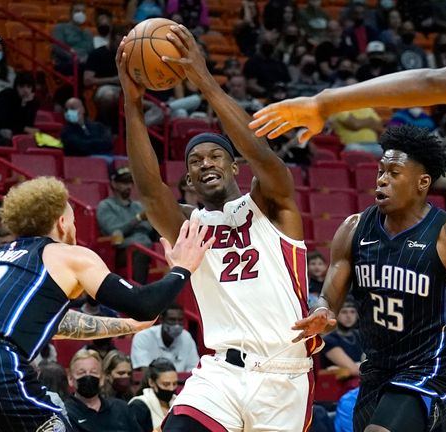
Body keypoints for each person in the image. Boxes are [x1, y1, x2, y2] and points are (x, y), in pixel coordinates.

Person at [246, 124, 446, 432]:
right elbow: (329, 297)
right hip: (377, 370)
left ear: (422, 182)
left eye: (394, 172)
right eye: (380, 171)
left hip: (430, 369)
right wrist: (323, 310)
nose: (382, 179)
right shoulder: (354, 229)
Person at [118, 24, 322, 431]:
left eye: (215, 156)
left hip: (286, 376)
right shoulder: (189, 225)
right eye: (195, 161)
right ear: (189, 180)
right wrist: (132, 103)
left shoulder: (273, 205)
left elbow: (261, 152)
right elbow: (150, 190)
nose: (205, 163)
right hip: (222, 374)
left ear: (234, 166)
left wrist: (203, 80)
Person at [0, 176, 213, 431]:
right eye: (74, 222)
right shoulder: (67, 254)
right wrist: (182, 268)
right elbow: (143, 303)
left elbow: (53, 324)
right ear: (62, 222)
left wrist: (128, 326)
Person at [96, 167, 153, 284]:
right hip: (121, 251)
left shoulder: (138, 206)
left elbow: (148, 227)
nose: (128, 186)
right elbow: (113, 230)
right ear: (114, 184)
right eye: (124, 182)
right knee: (139, 249)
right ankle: (139, 292)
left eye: (130, 183)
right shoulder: (106, 206)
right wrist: (137, 219)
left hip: (146, 246)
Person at [65, 349, 141, 431]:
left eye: (93, 372)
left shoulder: (121, 408)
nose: (88, 376)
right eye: (82, 373)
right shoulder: (64, 414)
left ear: (102, 378)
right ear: (70, 379)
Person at [131, 304, 199, 373]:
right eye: (172, 320)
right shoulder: (143, 337)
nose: (177, 325)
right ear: (161, 320)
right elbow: (145, 372)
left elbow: (193, 369)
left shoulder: (186, 337)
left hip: (182, 382)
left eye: (180, 320)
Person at [0, 72, 39, 141]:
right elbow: (3, 121)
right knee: (7, 133)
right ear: (16, 87)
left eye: (28, 87)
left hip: (18, 130)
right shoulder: (6, 95)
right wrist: (22, 105)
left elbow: (29, 123)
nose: (25, 90)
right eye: (22, 87)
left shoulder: (33, 101)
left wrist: (25, 105)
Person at [129, 358, 178, 432]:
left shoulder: (178, 403)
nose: (171, 388)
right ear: (151, 382)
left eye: (174, 384)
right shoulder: (138, 406)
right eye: (166, 384)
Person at [320, 298, 362, 377]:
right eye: (344, 312)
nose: (349, 316)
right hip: (339, 386)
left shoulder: (359, 335)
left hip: (359, 383)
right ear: (336, 315)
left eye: (352, 312)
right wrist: (356, 367)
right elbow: (354, 370)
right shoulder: (329, 339)